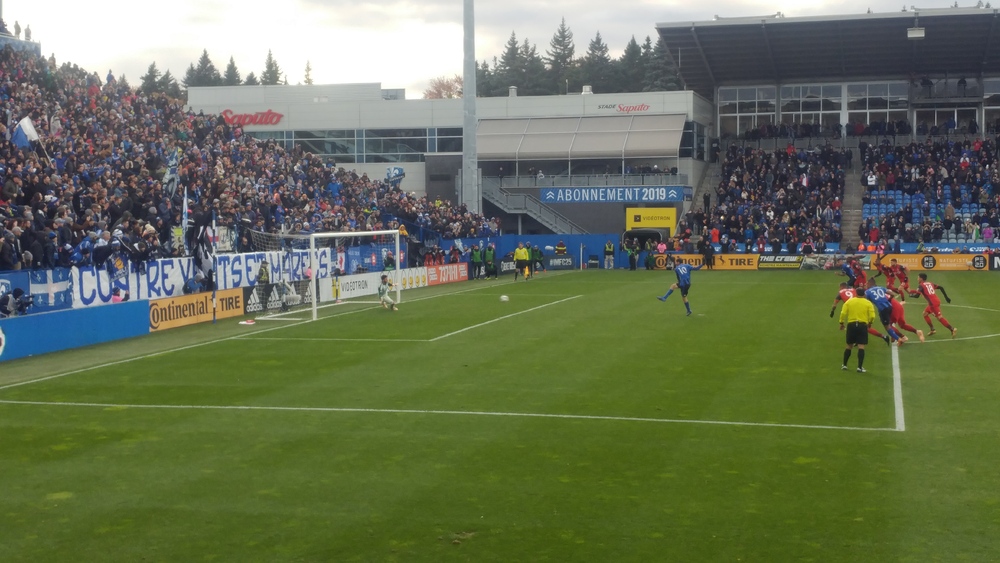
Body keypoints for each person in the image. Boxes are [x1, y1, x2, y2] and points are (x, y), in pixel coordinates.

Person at [909, 273, 956, 338]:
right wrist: (946, 297)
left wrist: (911, 295)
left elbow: (917, 296)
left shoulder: (921, 285)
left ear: (921, 278)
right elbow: (941, 287)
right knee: (925, 314)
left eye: (918, 277)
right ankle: (932, 329)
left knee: (939, 318)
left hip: (932, 304)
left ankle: (952, 329)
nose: (917, 279)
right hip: (936, 301)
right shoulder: (930, 283)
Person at [839, 293, 876, 373]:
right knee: (861, 346)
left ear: (856, 294)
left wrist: (841, 323)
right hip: (862, 325)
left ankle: (844, 365)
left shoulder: (850, 301)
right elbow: (872, 315)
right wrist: (870, 322)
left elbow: (843, 313)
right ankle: (859, 367)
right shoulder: (867, 302)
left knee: (849, 345)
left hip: (851, 325)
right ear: (864, 294)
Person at [865, 279, 902, 345]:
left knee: (887, 326)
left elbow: (865, 301)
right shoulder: (881, 287)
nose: (865, 285)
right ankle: (893, 336)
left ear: (870, 284)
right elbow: (892, 293)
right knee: (888, 322)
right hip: (889, 306)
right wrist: (889, 299)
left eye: (866, 283)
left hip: (883, 309)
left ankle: (898, 339)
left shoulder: (867, 292)